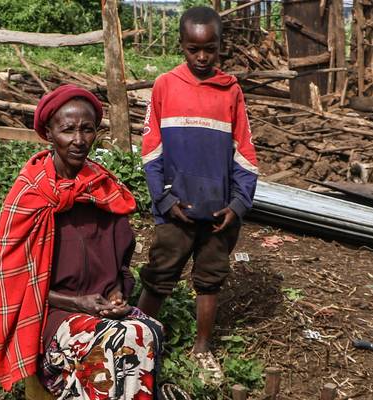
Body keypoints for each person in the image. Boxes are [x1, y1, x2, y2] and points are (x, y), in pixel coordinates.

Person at [0, 84, 162, 399]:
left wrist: (116, 292)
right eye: (68, 130)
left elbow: (120, 262)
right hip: (52, 316)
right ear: (49, 134)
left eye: (87, 130)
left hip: (101, 310)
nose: (79, 140)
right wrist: (76, 303)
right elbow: (16, 283)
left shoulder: (102, 189)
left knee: (148, 330)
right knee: (112, 343)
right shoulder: (31, 195)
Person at [135, 5, 259, 384]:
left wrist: (238, 204)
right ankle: (138, 342)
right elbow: (151, 150)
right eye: (194, 49)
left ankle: (202, 347)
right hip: (176, 210)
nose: (202, 57)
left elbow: (245, 153)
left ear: (221, 47)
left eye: (210, 49)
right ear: (181, 46)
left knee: (210, 278)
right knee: (160, 273)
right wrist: (165, 199)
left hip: (218, 210)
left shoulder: (230, 91)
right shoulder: (165, 86)